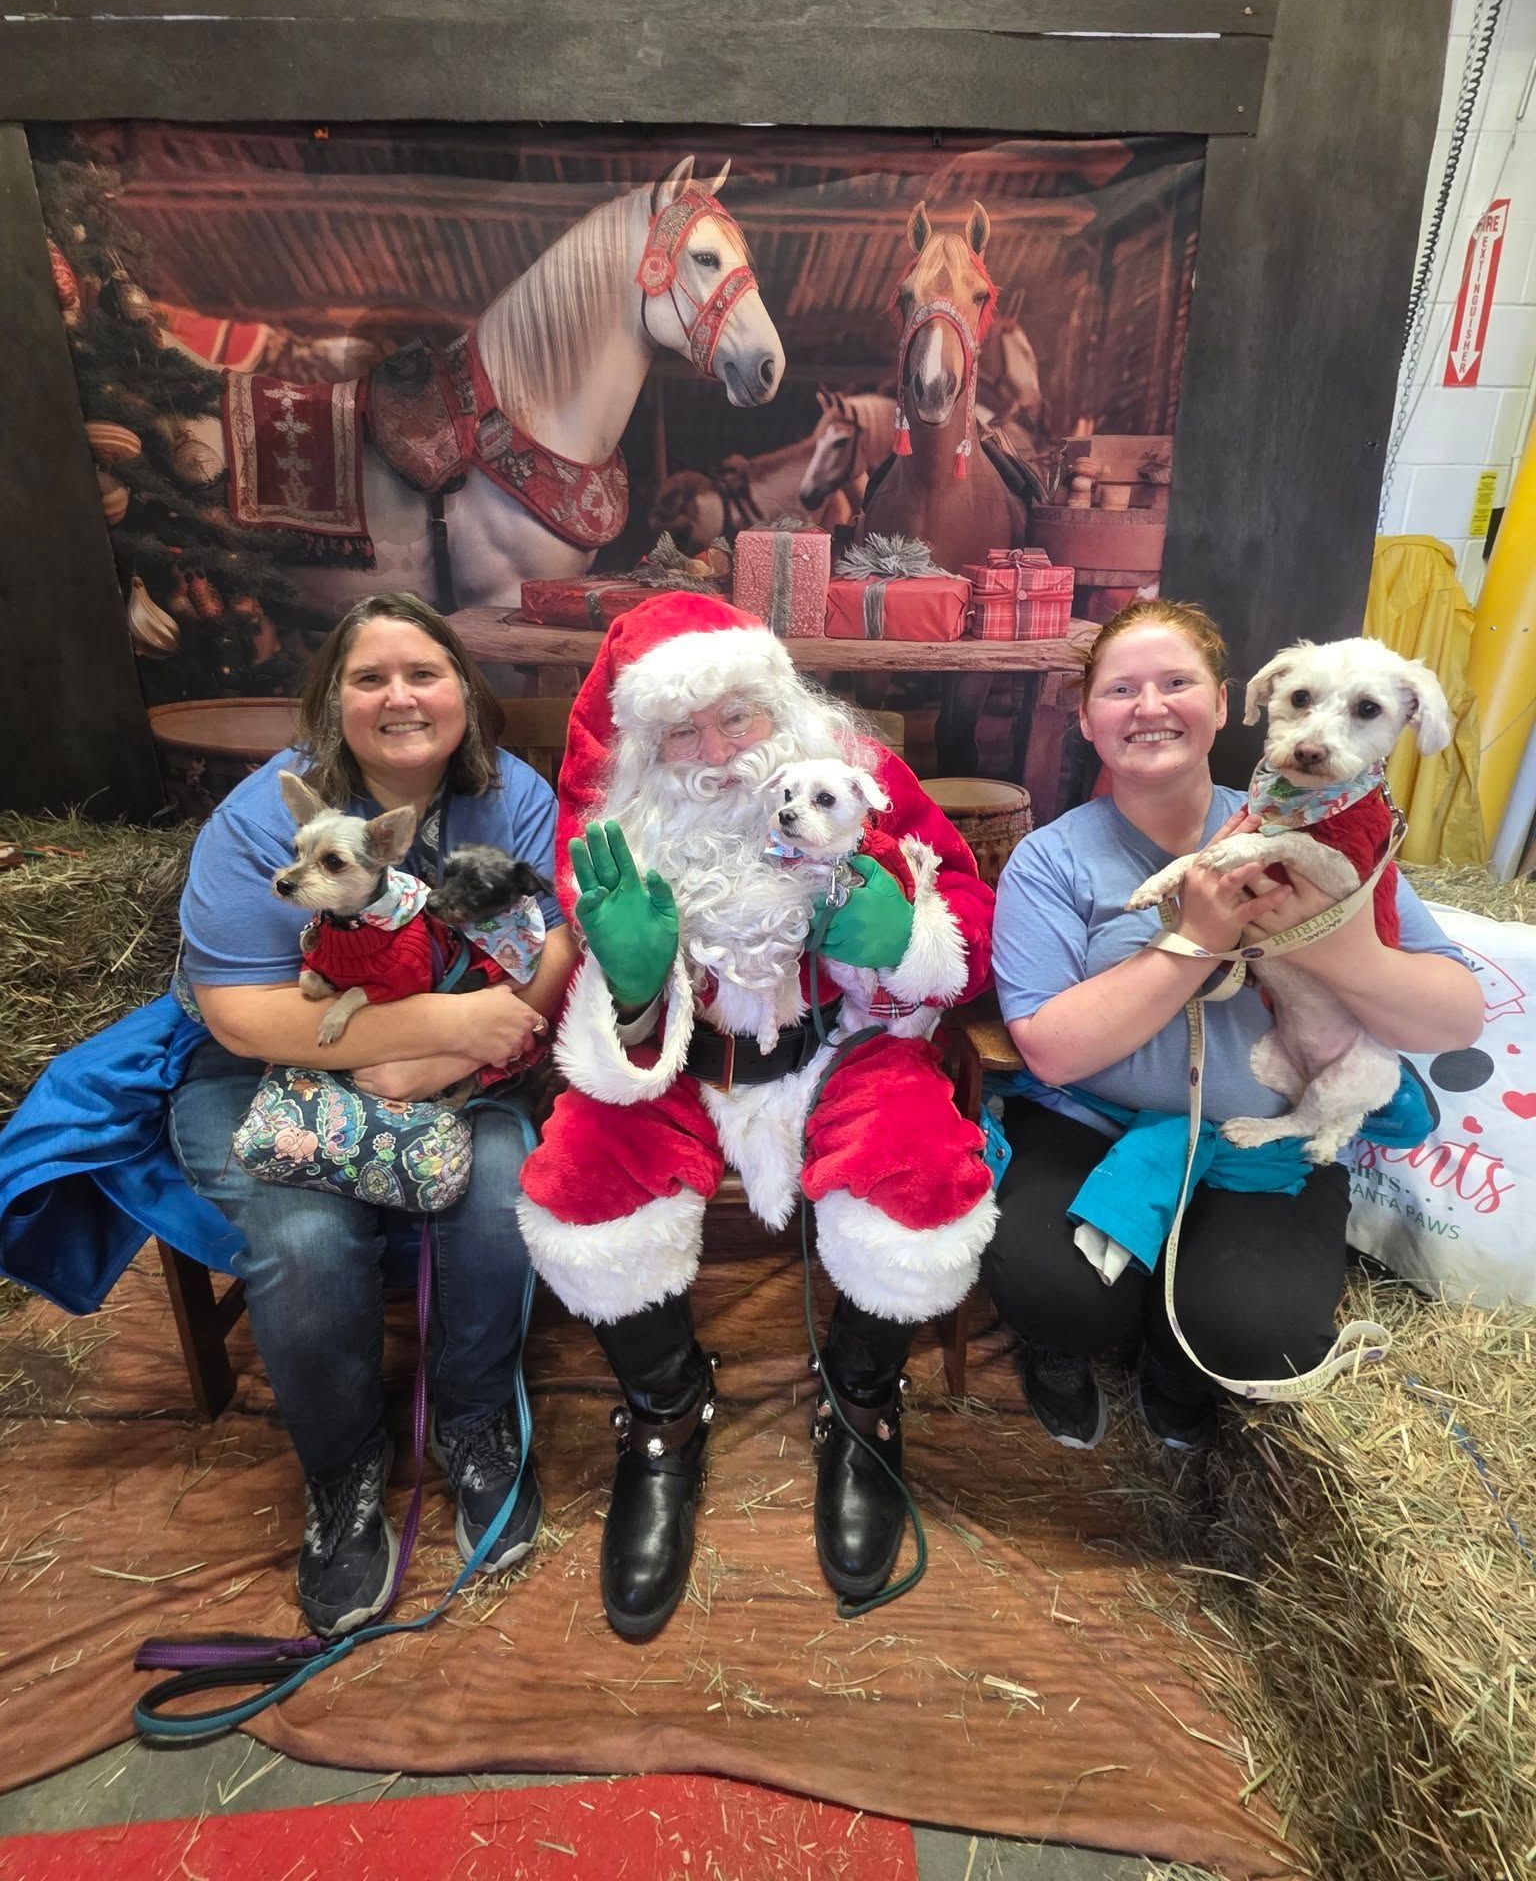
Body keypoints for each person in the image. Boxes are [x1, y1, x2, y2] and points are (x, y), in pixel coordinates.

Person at [517, 592, 995, 1640]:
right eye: (683, 730)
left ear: (776, 703)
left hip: (843, 1043)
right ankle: (664, 1413)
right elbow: (584, 973)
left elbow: (964, 910)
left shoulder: (854, 767)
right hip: (683, 1067)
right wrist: (636, 981)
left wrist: (907, 930)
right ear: (649, 745)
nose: (717, 750)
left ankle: (863, 1400)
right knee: (581, 1188)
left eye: (734, 716)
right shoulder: (617, 820)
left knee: (920, 1178)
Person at [983, 598, 1484, 1452]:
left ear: (1223, 704)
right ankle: (1066, 1344)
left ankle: (1178, 1358)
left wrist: (1341, 948)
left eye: (1176, 683)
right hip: (1094, 1123)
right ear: (1086, 719)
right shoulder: (1051, 859)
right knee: (1049, 1287)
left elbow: (1455, 1015)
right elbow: (1051, 1049)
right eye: (1120, 690)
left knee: (1260, 1333)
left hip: (1269, 1136)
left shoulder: (1327, 829)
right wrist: (1197, 938)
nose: (1149, 707)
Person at [170, 593, 577, 1637]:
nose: (399, 695)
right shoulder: (267, 814)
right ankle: (344, 1469)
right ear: (333, 702)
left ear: (463, 695)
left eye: (424, 672)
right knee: (304, 1234)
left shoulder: (512, 798)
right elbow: (243, 1011)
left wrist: (455, 1047)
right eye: (368, 676)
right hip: (271, 1061)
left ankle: (474, 1421)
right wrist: (420, 1037)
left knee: (495, 1195)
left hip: (456, 1063)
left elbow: (544, 952)